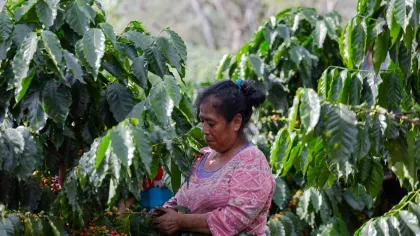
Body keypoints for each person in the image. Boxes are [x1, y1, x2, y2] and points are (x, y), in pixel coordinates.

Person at [152, 80, 275, 236]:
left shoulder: (251, 161)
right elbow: (180, 200)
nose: (203, 130)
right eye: (202, 121)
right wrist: (160, 215)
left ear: (236, 122)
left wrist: (180, 221)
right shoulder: (203, 156)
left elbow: (234, 219)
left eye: (211, 123)